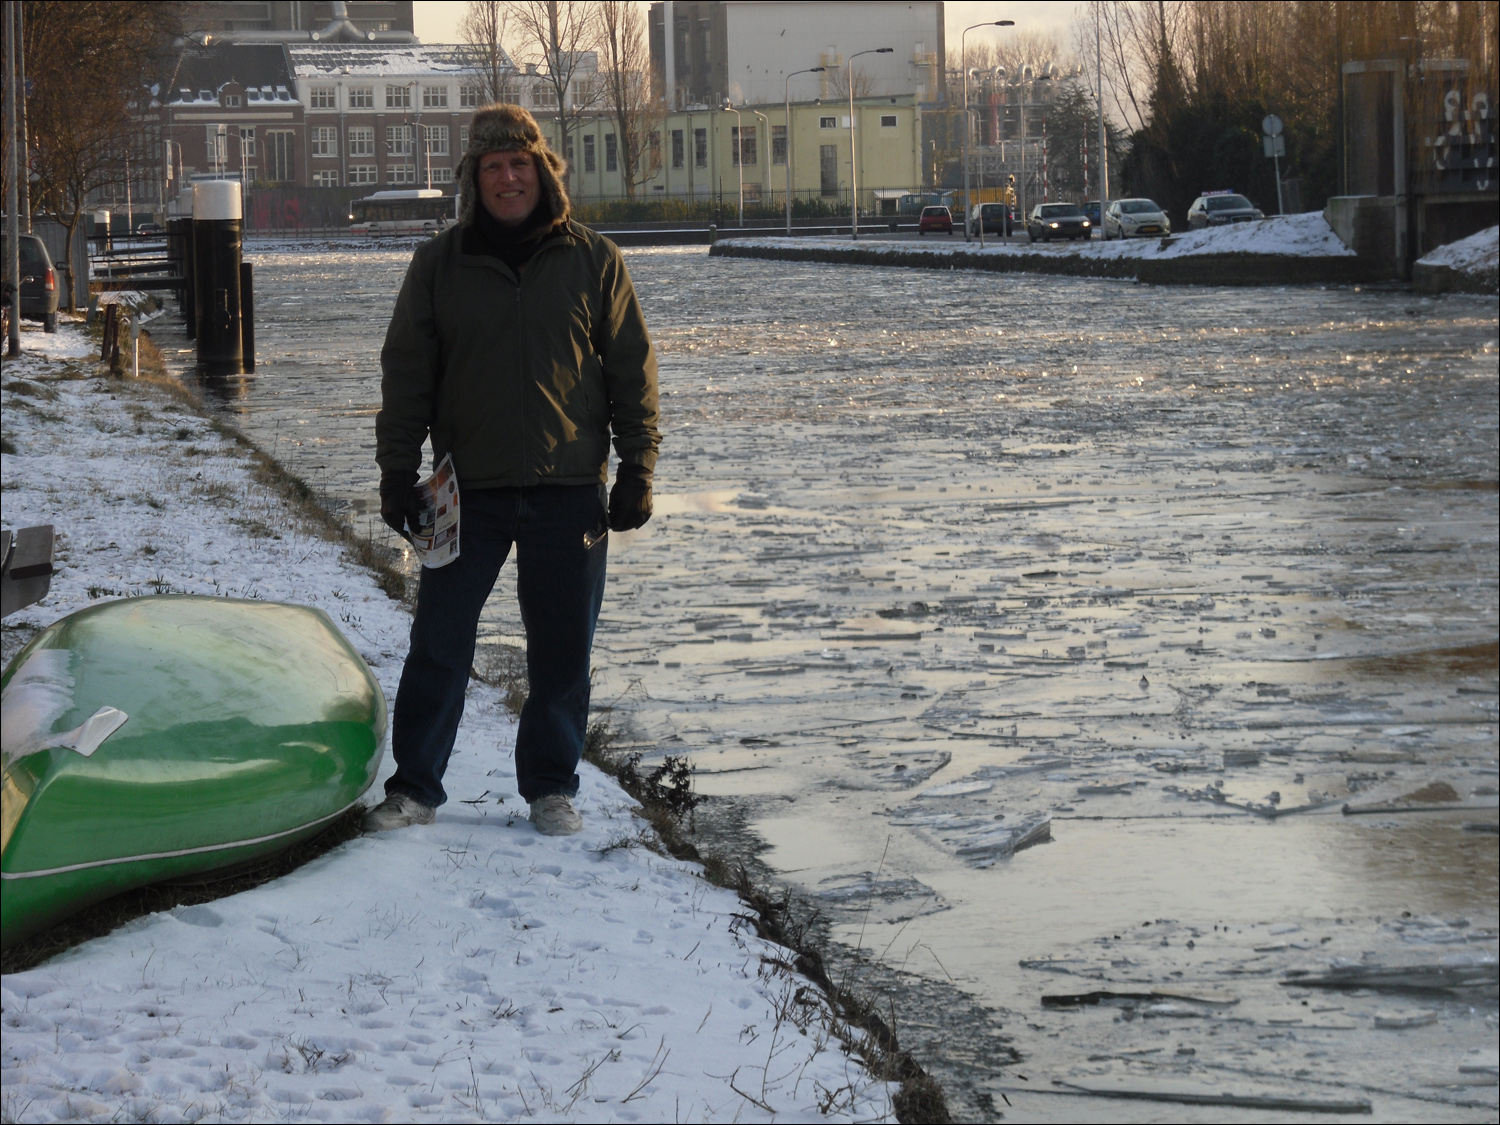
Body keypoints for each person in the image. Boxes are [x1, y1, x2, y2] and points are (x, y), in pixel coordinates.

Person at [365, 104, 660, 837]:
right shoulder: (438, 265)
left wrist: (638, 467)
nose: (507, 178)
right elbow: (408, 373)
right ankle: (415, 789)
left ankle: (551, 789)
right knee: (439, 642)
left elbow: (632, 370)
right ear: (474, 179)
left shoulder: (594, 260)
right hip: (466, 490)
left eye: (519, 164)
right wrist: (397, 469)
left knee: (563, 651)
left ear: (542, 172)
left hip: (571, 489)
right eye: (492, 167)